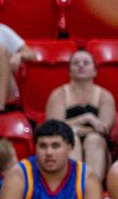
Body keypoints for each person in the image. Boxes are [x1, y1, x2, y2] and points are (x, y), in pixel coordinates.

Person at [45, 49, 114, 178]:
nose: (81, 65)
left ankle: (94, 188)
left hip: (98, 145)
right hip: (66, 141)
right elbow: (54, 128)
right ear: (69, 72)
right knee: (72, 140)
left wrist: (74, 128)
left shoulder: (105, 96)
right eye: (76, 63)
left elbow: (103, 129)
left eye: (86, 63)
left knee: (94, 140)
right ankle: (73, 187)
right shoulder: (59, 95)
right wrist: (86, 119)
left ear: (95, 71)